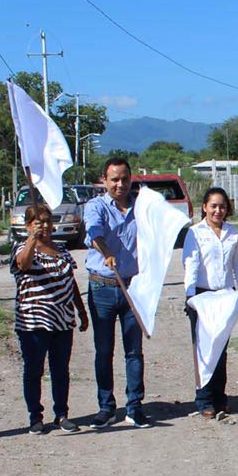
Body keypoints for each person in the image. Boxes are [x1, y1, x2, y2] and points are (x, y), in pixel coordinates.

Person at [12, 203, 89, 434]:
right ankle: (35, 417)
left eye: (47, 221)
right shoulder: (21, 248)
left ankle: (61, 414)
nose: (45, 226)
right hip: (33, 321)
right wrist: (32, 241)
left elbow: (70, 281)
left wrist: (81, 310)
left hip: (62, 320)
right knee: (34, 370)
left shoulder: (62, 250)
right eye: (38, 222)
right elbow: (23, 265)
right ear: (28, 226)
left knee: (61, 370)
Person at [83, 157, 149, 429]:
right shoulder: (95, 206)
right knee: (104, 350)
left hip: (133, 288)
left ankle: (135, 406)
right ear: (104, 181)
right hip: (103, 287)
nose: (120, 184)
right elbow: (94, 232)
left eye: (124, 178)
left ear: (131, 178)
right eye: (114, 179)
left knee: (134, 352)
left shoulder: (142, 207)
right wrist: (106, 252)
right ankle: (106, 406)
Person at [182, 187, 238, 419]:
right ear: (204, 207)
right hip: (202, 297)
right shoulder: (195, 232)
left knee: (221, 349)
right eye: (213, 206)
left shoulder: (232, 232)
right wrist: (190, 296)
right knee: (203, 349)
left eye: (222, 206)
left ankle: (220, 397)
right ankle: (204, 399)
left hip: (225, 297)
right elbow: (191, 264)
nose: (218, 210)